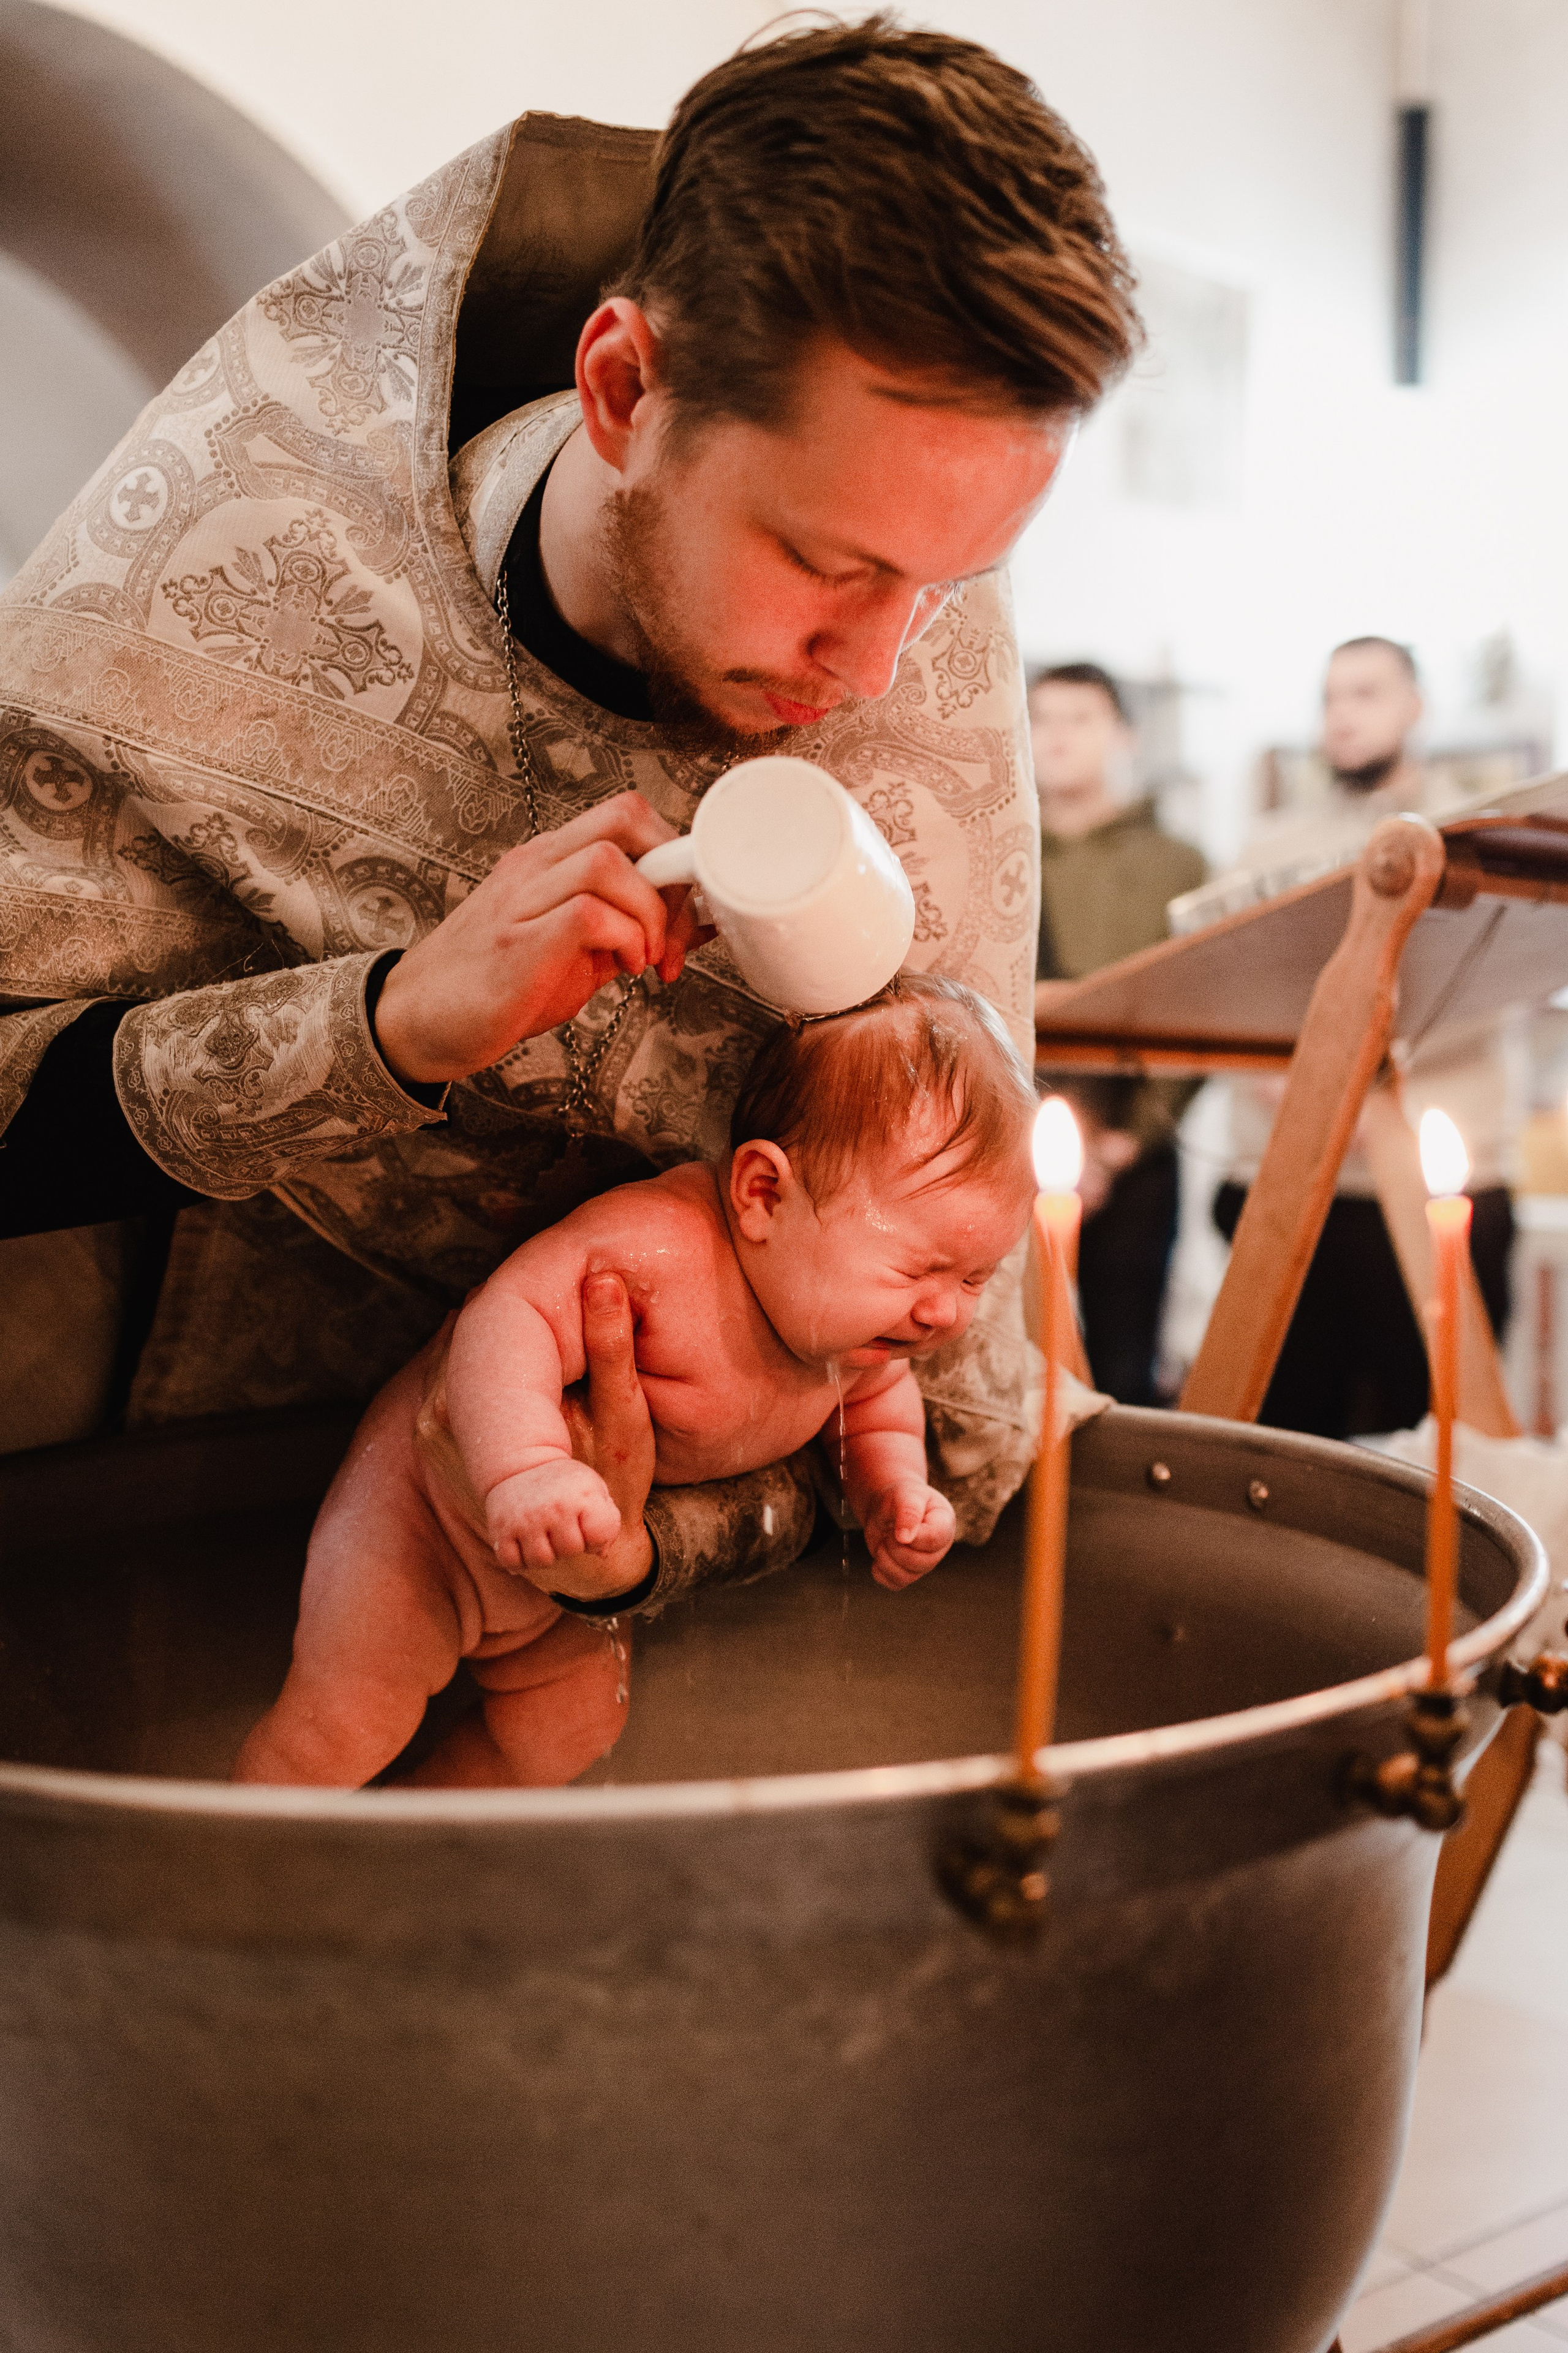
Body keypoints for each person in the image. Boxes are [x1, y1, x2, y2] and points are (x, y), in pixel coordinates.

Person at [0, 20, 1139, 1619]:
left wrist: (649, 1542)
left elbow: (947, 1399)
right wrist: (384, 1030)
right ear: (621, 387)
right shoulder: (235, 580)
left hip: (684, 1604)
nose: (883, 665)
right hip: (218, 1539)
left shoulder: (908, 650)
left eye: (947, 583)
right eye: (830, 562)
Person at [234, 976, 1038, 1788]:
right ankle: (219, 1885)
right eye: (920, 1268)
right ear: (764, 1195)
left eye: (976, 1279)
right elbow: (507, 1317)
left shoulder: (857, 1343)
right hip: (420, 1521)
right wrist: (524, 1467)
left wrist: (892, 1494)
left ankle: (404, 1858)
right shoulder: (663, 1249)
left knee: (573, 1724)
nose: (943, 1312)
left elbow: (876, 1418)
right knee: (347, 1723)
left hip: (558, 1573)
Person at [1212, 636, 1517, 1438]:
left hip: (1440, 1179)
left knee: (1438, 1434)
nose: (1343, 716)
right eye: (1331, 698)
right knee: (1284, 1435)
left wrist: (1356, 1076)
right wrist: (1290, 1071)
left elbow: (1497, 979)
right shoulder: (1266, 848)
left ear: (1416, 708)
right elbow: (1231, 981)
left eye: (1367, 694)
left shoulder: (1485, 833)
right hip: (1293, 1183)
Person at [1031, 662, 1206, 1403]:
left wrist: (1124, 1142)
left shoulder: (1179, 861)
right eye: (1042, 718)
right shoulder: (998, 850)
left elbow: (1198, 1007)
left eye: (1082, 718)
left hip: (1137, 1156)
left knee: (1125, 1370)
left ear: (1123, 734)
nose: (1058, 737)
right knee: (1020, 1361)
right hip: (1011, 1143)